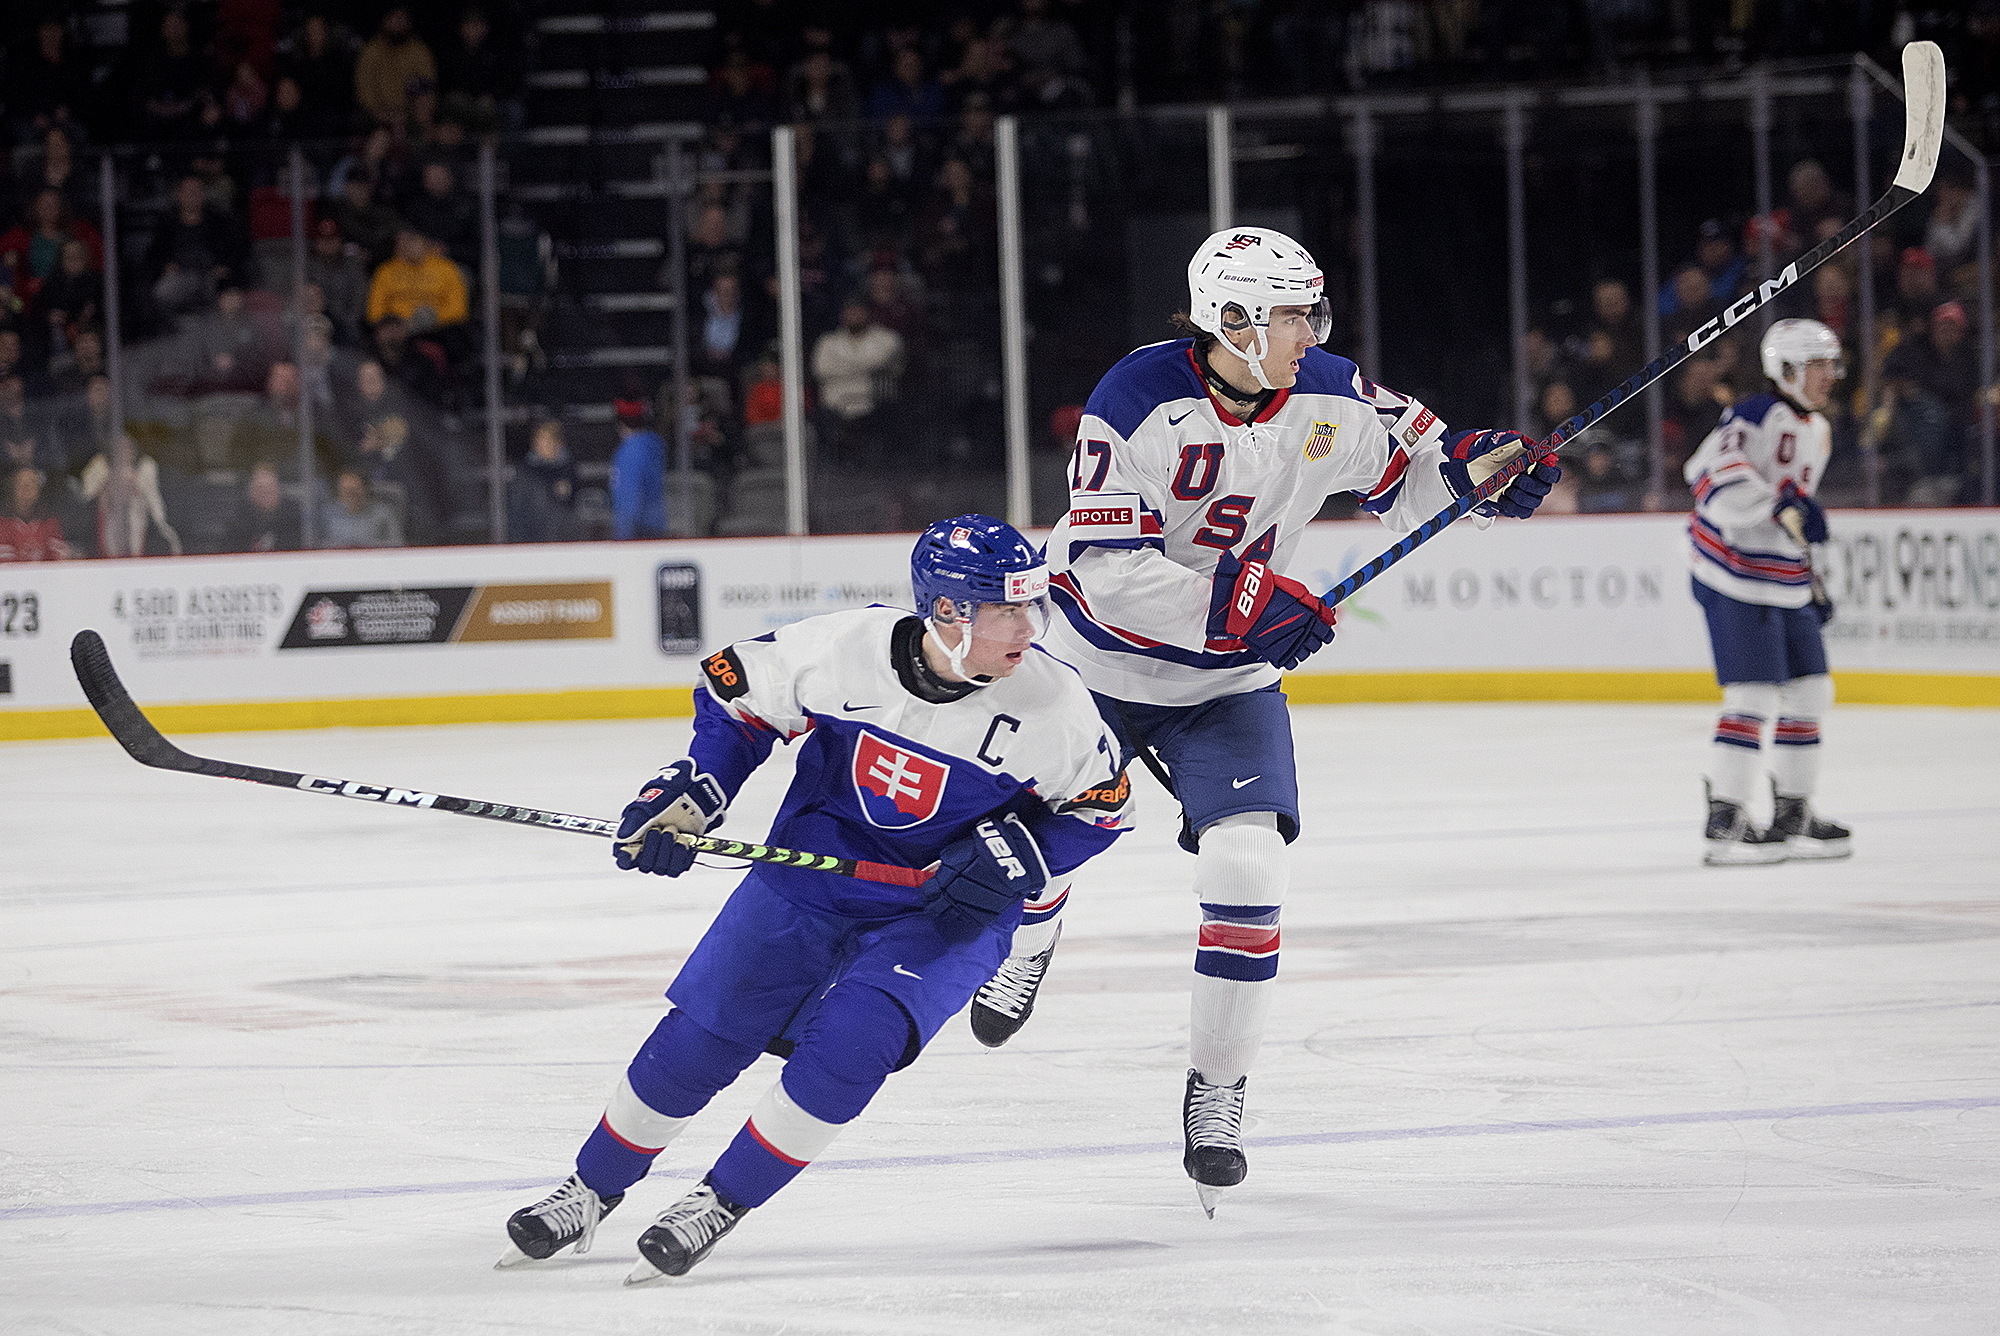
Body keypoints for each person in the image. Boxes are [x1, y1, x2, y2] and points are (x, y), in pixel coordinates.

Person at [966, 227, 1562, 1214]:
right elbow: (1108, 575)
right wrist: (1246, 602)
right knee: (1042, 850)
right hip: (1095, 664)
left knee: (1246, 867)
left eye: (1308, 312)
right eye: (1289, 315)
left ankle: (1216, 1085)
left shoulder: (1327, 389)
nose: (1308, 332)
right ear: (1230, 321)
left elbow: (1413, 473)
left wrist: (1478, 475)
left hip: (1222, 682)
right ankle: (1028, 945)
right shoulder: (1132, 400)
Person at [497, 517, 1130, 1281]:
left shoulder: (1053, 704)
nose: (1029, 628)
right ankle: (590, 1188)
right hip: (814, 870)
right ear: (950, 613)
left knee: (855, 1043)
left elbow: (1103, 808)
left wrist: (1019, 857)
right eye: (1007, 610)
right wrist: (697, 790)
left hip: (942, 909)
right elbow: (738, 703)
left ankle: (720, 1201)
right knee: (703, 1037)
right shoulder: (845, 649)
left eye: (1033, 607)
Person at [1682, 319, 1852, 868]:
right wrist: (1776, 501)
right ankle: (1726, 819)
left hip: (1782, 578)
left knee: (1811, 692)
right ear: (1786, 370)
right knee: (1752, 696)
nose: (1829, 376)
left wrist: (1815, 576)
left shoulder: (1819, 430)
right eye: (1817, 366)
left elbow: (1793, 513)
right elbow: (1708, 473)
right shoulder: (1755, 413)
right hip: (1730, 574)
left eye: (1831, 365)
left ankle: (1793, 812)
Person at [609, 399, 667, 539]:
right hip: (655, 525)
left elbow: (628, 498)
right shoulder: (652, 445)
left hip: (637, 532)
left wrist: (622, 538)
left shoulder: (630, 451)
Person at [220, 462, 303, 553]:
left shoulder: (293, 515)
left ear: (278, 488)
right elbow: (231, 553)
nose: (265, 493)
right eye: (260, 488)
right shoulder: (238, 518)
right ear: (251, 491)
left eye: (270, 488)